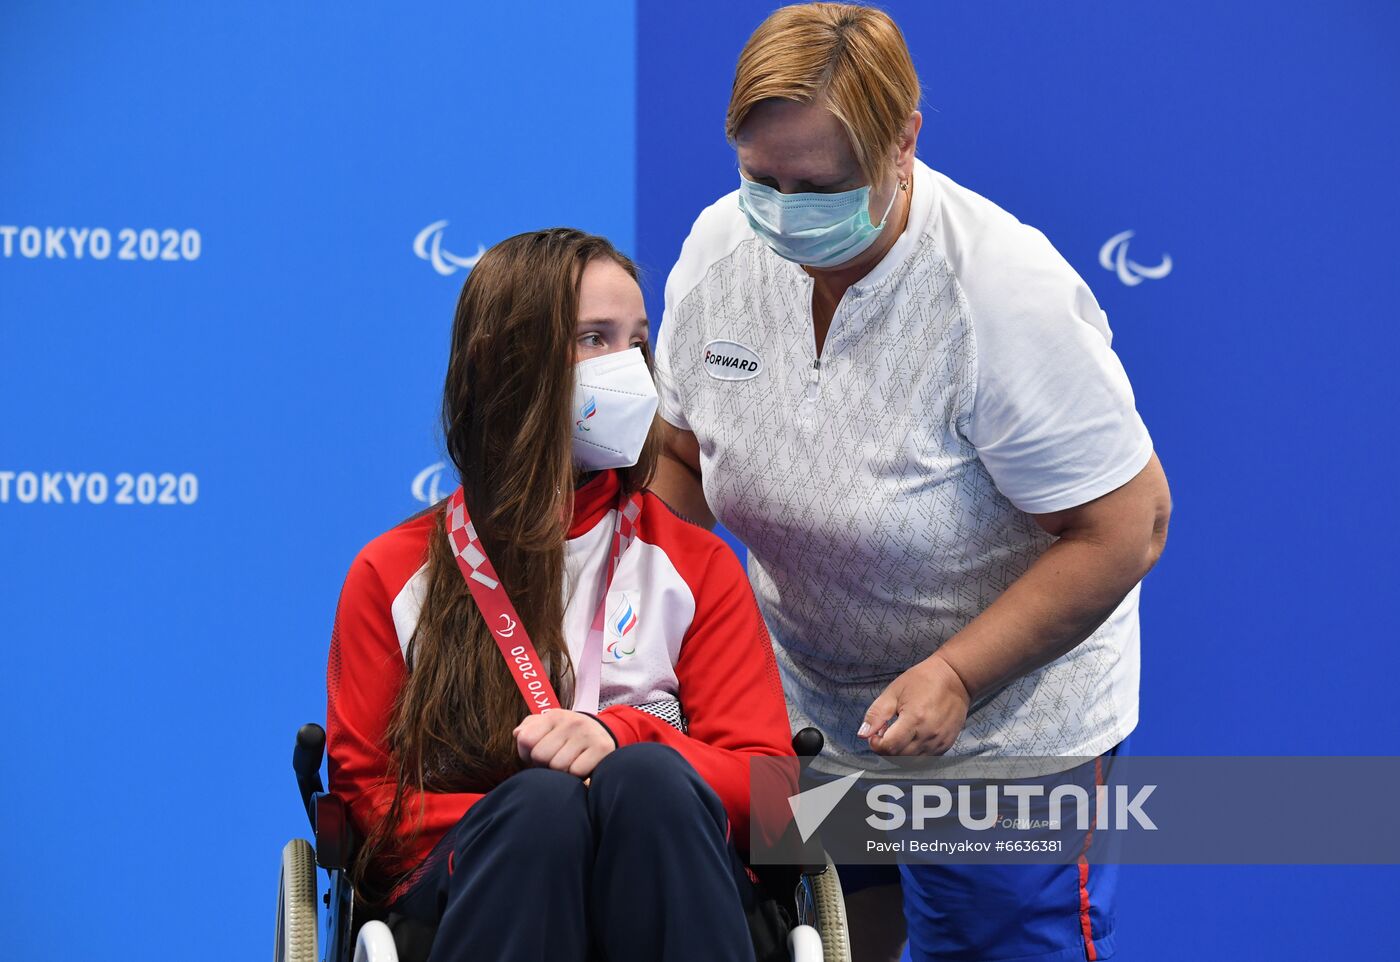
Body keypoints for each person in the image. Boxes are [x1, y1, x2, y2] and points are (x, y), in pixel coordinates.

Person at [650, 4, 1172, 961]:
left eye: (819, 185)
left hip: (1003, 735)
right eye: (760, 178)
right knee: (834, 945)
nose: (783, 210)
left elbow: (1129, 526)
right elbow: (676, 462)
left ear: (903, 143)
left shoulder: (1002, 293)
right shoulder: (721, 251)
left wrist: (958, 674)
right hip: (805, 715)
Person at [326, 228, 793, 962]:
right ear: (505, 361)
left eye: (637, 342)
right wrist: (538, 811)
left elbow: (775, 799)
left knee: (645, 783)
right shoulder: (393, 574)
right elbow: (371, 809)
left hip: (668, 867)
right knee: (541, 813)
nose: (631, 369)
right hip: (481, 883)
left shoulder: (696, 565)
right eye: (593, 339)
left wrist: (627, 737)